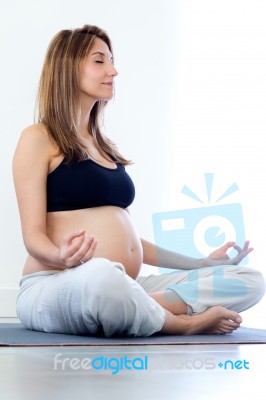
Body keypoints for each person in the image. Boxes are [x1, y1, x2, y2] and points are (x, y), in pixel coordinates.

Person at [13, 25, 265, 337]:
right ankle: (182, 323)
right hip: (58, 283)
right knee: (103, 278)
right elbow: (33, 236)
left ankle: (139, 306)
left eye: (112, 60)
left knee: (247, 279)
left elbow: (132, 241)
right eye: (100, 61)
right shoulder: (39, 138)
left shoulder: (103, 146)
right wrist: (60, 256)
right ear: (68, 68)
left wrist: (202, 265)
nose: (113, 71)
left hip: (125, 284)